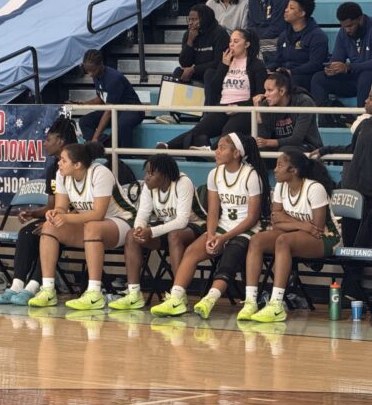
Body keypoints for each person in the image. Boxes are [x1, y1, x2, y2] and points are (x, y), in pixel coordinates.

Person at [151, 133, 270, 319]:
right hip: (222, 226)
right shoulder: (214, 174)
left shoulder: (251, 175)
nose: (217, 151)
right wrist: (212, 235)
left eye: (222, 148)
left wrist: (223, 238)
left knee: (230, 255)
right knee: (191, 251)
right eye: (217, 147)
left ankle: (210, 300)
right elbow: (213, 212)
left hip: (247, 228)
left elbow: (253, 217)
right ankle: (176, 299)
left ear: (236, 153)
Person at [27, 142, 136, 310]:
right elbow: (61, 207)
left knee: (93, 226)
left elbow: (98, 214)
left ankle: (94, 293)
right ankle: (48, 290)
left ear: (77, 165)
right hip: (91, 225)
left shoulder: (100, 173)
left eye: (63, 160)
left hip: (123, 222)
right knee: (49, 227)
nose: (59, 163)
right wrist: (55, 213)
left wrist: (67, 218)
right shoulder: (61, 174)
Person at [238, 151, 339, 323]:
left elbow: (317, 228)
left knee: (283, 241)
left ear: (293, 171)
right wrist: (301, 225)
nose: (275, 170)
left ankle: (276, 305)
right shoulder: (281, 186)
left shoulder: (314, 188)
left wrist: (288, 220)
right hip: (297, 233)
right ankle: (250, 301)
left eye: (279, 166)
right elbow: (276, 222)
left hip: (327, 238)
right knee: (257, 240)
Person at [0, 115, 78, 306]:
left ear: (61, 142)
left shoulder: (79, 167)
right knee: (27, 232)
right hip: (59, 219)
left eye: (48, 139)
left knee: (48, 234)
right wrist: (33, 213)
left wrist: (50, 222)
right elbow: (53, 206)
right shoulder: (53, 170)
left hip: (78, 222)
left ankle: (33, 287)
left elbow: (84, 208)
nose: (44, 143)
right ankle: (17, 285)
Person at [107, 155, 206, 310]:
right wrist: (140, 228)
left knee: (175, 235)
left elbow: (182, 221)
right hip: (167, 227)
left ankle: (178, 296)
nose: (146, 178)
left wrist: (151, 231)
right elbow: (142, 213)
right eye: (146, 173)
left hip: (196, 225)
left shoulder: (182, 182)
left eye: (151, 174)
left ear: (165, 175)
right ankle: (134, 294)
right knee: (131, 235)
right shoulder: (148, 187)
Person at [158, 29, 266, 150]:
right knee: (199, 130)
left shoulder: (257, 65)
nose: (231, 44)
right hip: (223, 106)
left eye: (236, 41)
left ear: (246, 44)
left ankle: (211, 150)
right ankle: (167, 146)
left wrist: (240, 106)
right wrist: (224, 66)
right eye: (230, 41)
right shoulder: (226, 61)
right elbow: (214, 88)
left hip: (245, 110)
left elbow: (260, 95)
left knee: (228, 130)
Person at [310, 90, 372, 247]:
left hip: (369, 197)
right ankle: (351, 272)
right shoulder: (364, 125)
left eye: (371, 98)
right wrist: (327, 149)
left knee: (361, 248)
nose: (365, 101)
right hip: (356, 193)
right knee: (349, 247)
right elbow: (352, 149)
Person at [77, 49, 145, 150]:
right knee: (84, 121)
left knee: (123, 123)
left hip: (132, 110)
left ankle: (125, 156)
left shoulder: (114, 79)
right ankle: (98, 148)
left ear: (101, 64)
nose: (91, 74)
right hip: (116, 110)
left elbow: (108, 111)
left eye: (93, 70)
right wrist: (83, 104)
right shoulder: (96, 75)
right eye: (88, 71)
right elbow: (101, 98)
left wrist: (95, 138)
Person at [310, 2, 372, 112]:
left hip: (368, 81)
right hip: (353, 80)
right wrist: (332, 68)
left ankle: (362, 121)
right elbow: (337, 57)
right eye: (343, 26)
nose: (347, 30)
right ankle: (327, 120)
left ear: (360, 19)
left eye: (350, 26)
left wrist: (349, 67)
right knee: (318, 78)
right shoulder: (343, 33)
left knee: (366, 76)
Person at [270, 0, 329, 90]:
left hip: (305, 77)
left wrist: (291, 71)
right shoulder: (284, 35)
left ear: (302, 13)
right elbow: (278, 60)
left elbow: (315, 64)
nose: (286, 10)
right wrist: (269, 69)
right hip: (285, 75)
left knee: (289, 82)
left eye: (291, 8)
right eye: (287, 7)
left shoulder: (318, 36)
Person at [253, 71, 323, 153]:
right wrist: (258, 111)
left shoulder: (304, 101)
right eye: (265, 90)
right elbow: (262, 138)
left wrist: (268, 142)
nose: (265, 95)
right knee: (257, 150)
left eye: (270, 90)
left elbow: (297, 139)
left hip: (306, 146)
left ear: (282, 91)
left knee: (285, 151)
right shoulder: (266, 103)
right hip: (280, 146)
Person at [247, 0, 290, 66]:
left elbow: (278, 27)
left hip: (277, 40)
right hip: (259, 40)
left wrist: (255, 39)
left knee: (253, 48)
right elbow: (251, 25)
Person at [174, 4, 229, 83]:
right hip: (197, 72)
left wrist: (194, 69)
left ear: (205, 19)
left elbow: (219, 62)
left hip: (216, 74)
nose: (190, 23)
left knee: (209, 73)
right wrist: (190, 42)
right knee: (178, 72)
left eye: (194, 19)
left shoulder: (220, 33)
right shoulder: (189, 34)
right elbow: (184, 63)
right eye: (189, 20)